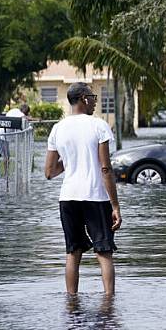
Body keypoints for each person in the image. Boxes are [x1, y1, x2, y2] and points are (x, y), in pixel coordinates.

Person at [45, 82, 122, 296]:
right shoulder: (98, 126)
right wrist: (115, 205)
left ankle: (71, 302)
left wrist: (71, 160)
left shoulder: (58, 128)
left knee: (73, 251)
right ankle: (109, 301)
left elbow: (50, 171)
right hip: (95, 196)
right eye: (93, 97)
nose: (95, 102)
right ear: (82, 99)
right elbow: (105, 168)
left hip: (68, 198)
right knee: (104, 251)